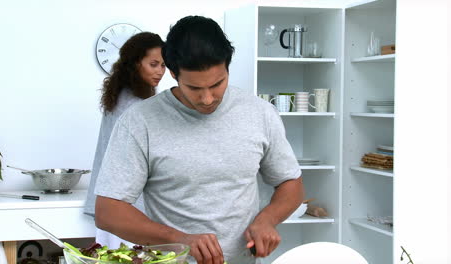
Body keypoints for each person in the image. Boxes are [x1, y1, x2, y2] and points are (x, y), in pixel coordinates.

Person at [94, 16, 304, 264]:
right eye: (194, 88)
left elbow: (291, 184)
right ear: (172, 73)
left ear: (228, 67)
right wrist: (179, 239)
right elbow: (108, 211)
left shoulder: (260, 113)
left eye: (217, 84)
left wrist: (267, 219)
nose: (207, 99)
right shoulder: (139, 122)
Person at [84, 32, 165, 248]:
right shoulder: (135, 106)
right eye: (154, 64)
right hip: (125, 205)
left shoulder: (119, 97)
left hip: (113, 200)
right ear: (135, 63)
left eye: (163, 65)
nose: (160, 71)